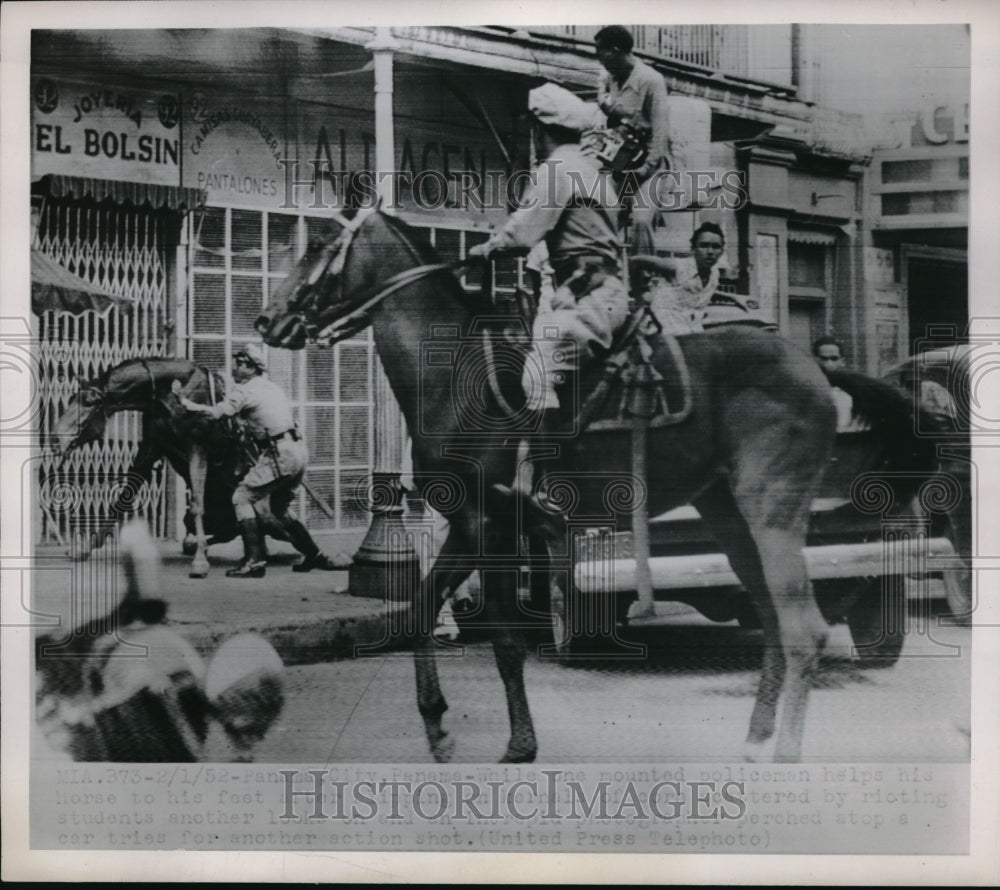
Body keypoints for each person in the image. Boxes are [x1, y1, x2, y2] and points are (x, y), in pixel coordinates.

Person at [468, 82, 628, 432]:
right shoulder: (596, 172)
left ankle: (548, 480)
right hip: (605, 293)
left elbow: (523, 232)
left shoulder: (557, 170)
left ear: (539, 130)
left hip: (589, 299)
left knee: (536, 376)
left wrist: (486, 249)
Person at [172, 342, 339, 578]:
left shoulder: (245, 391)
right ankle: (314, 554)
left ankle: (254, 561)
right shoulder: (271, 388)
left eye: (240, 364)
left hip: (279, 451)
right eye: (236, 363)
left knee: (241, 497)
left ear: (252, 368)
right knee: (279, 510)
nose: (235, 368)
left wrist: (184, 402)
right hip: (298, 450)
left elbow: (217, 413)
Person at [593, 25, 671, 249]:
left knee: (641, 221)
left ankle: (642, 278)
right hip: (621, 159)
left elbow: (660, 133)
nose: (598, 59)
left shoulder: (651, 81)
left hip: (649, 166)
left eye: (601, 52)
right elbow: (601, 92)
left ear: (616, 50)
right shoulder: (609, 76)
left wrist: (645, 170)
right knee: (602, 216)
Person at [630, 221, 735, 333]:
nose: (710, 252)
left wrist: (734, 298)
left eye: (716, 247)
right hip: (663, 330)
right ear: (693, 249)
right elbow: (634, 261)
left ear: (722, 251)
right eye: (703, 246)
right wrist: (639, 301)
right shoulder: (677, 266)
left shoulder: (714, 273)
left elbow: (702, 293)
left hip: (693, 330)